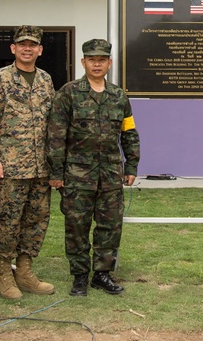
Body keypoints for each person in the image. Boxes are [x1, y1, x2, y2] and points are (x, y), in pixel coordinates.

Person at [48, 39, 140, 297]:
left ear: (109, 63)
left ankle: (102, 275)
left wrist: (131, 164)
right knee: (77, 226)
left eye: (102, 60)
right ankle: (79, 276)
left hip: (110, 175)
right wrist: (56, 172)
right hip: (77, 175)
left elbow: (129, 132)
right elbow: (56, 136)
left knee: (109, 226)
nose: (97, 63)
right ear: (83, 62)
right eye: (91, 59)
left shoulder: (119, 96)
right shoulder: (68, 93)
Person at [0, 25, 56, 300]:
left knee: (36, 221)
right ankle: (4, 276)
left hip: (40, 168)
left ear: (40, 50)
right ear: (13, 49)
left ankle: (24, 272)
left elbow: (52, 124)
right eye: (22, 44)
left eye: (32, 45)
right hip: (10, 166)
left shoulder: (46, 80)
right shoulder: (0, 79)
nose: (27, 48)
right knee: (8, 221)